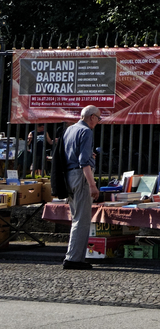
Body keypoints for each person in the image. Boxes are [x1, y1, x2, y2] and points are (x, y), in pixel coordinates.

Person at [62, 106, 100, 270]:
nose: (98, 122)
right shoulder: (86, 132)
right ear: (92, 117)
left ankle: (73, 256)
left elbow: (69, 154)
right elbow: (83, 161)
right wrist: (92, 185)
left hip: (69, 176)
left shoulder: (70, 130)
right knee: (82, 220)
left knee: (76, 218)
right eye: (98, 118)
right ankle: (74, 259)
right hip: (81, 176)